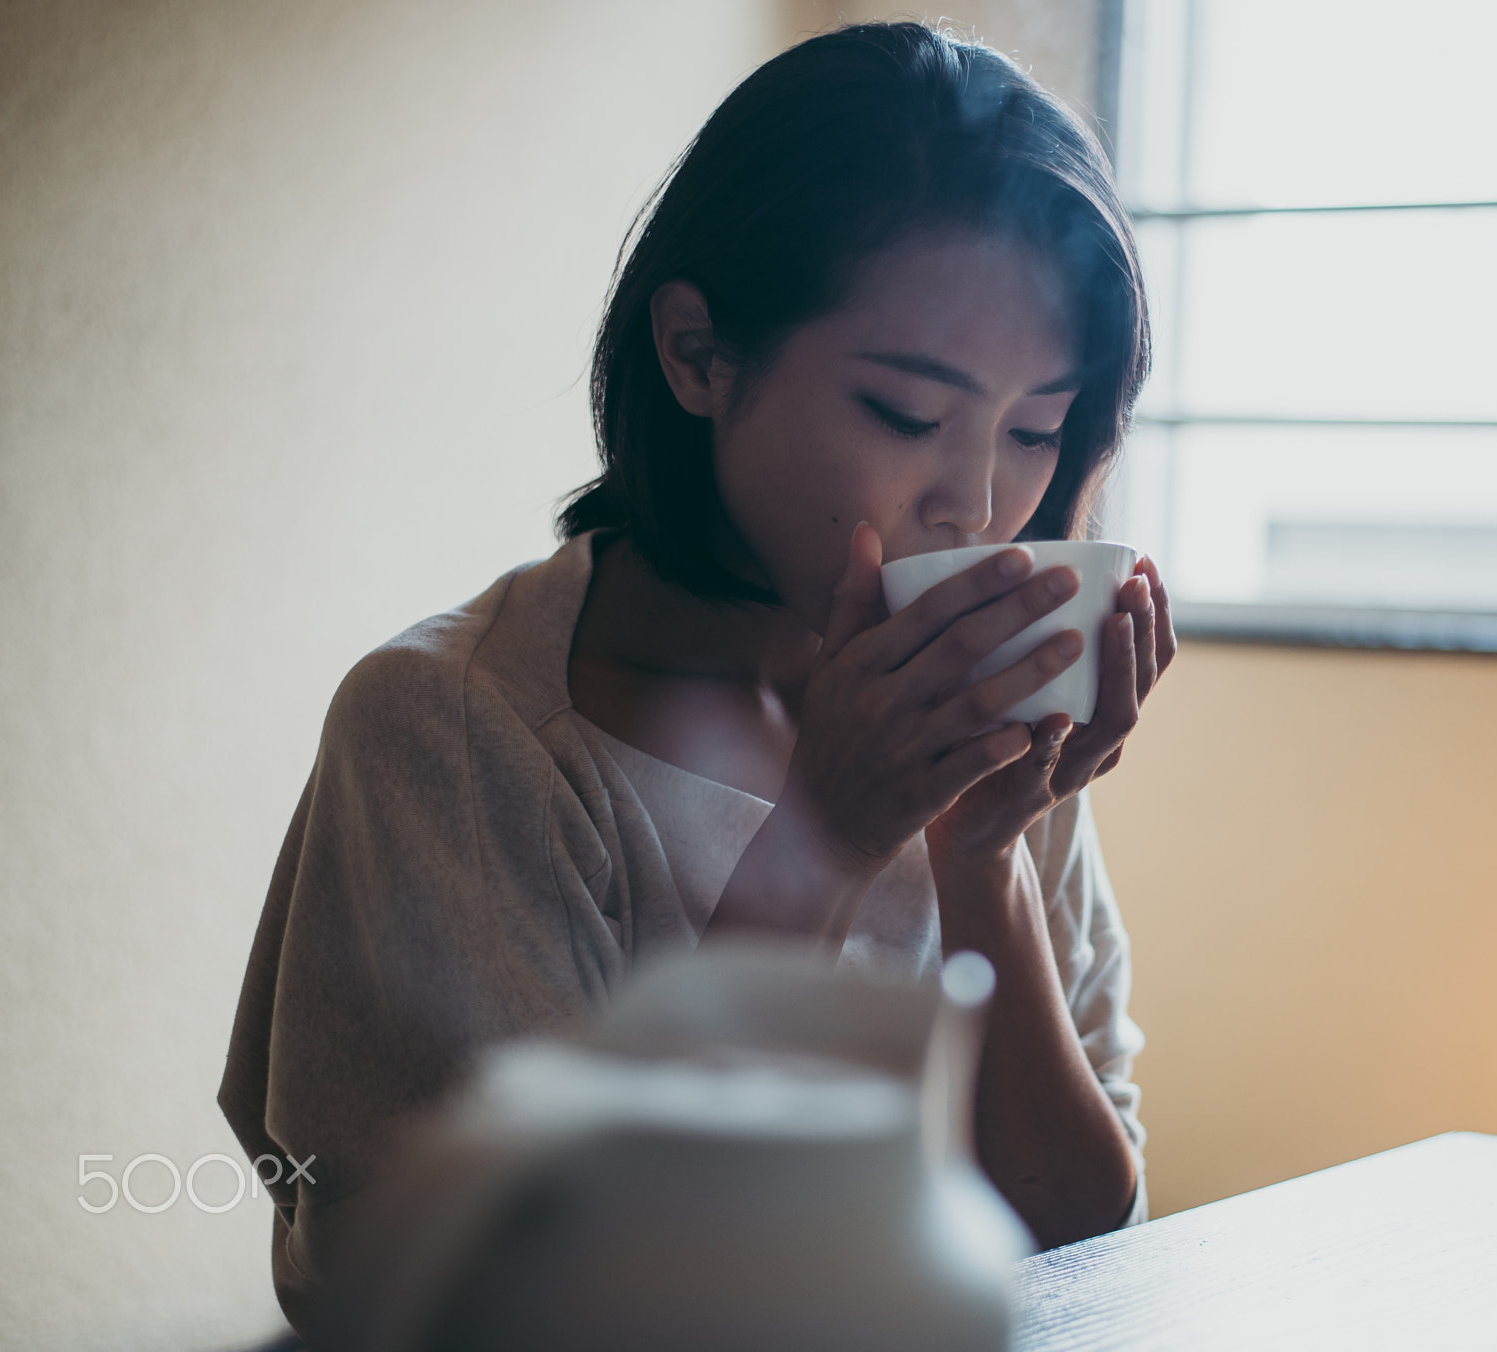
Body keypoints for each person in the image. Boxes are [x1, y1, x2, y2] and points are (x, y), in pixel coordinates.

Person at [218, 19, 1172, 1343]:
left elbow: (1079, 1247)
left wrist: (986, 858)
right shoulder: (455, 726)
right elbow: (479, 1291)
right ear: (697, 355)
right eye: (905, 414)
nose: (979, 505)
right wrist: (824, 836)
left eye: (1036, 429)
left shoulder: (981, 714)